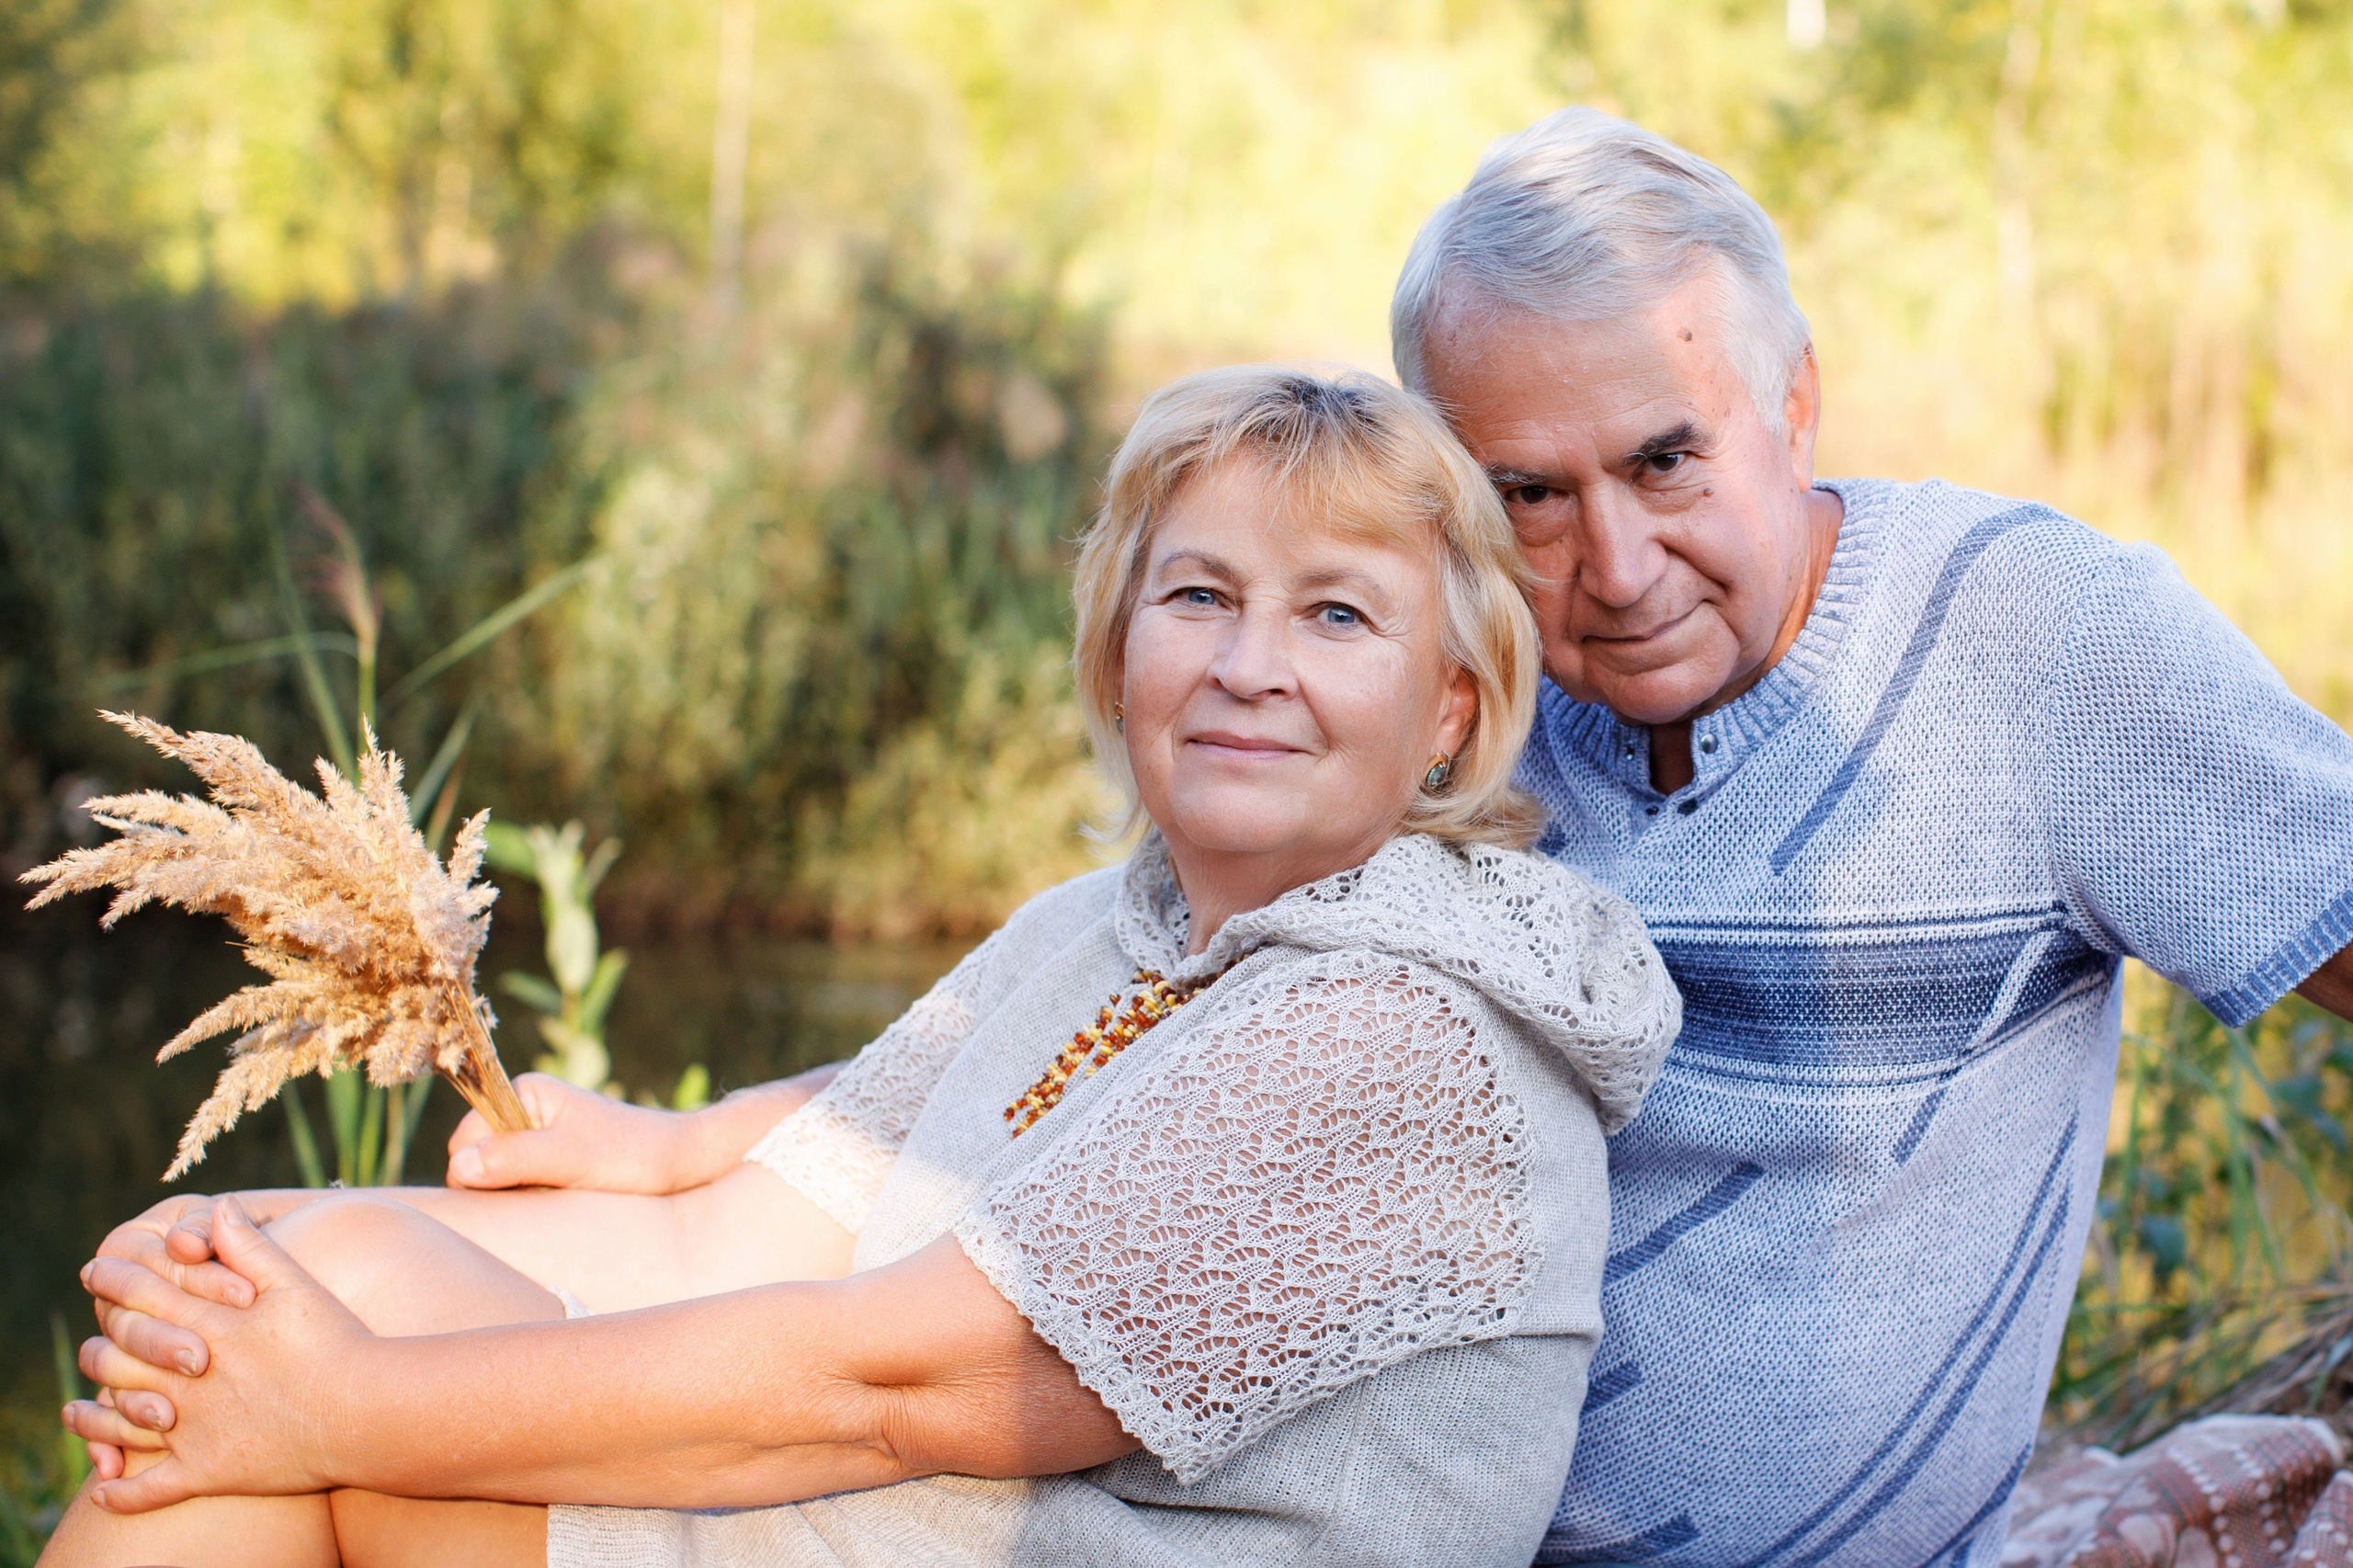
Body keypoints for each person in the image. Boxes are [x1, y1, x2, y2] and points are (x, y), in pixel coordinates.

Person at [44, 365, 1682, 1568]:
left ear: (1453, 707)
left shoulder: (1402, 1032)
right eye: (1201, 595)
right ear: (1122, 653)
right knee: (280, 1297)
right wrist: (239, 1246)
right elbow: (732, 1242)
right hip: (906, 1523)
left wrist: (329, 1403)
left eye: (1339, 617)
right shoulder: (1096, 936)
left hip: (959, 1516)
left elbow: (891, 1385)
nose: (1252, 665)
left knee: (335, 1419)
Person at [1385, 109, 2353, 1563]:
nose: (1621, 566)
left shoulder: (2045, 647)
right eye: (1531, 495)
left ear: (1792, 406)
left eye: (1666, 461)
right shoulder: (1443, 694)